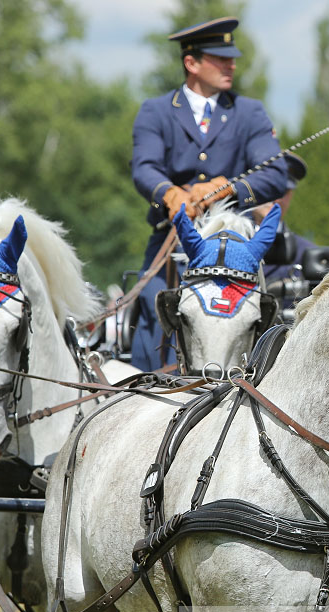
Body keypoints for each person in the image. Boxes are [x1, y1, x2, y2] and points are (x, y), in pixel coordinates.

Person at [130, 16, 288, 370]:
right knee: (154, 312)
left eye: (232, 57)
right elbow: (144, 166)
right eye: (221, 58)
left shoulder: (250, 113)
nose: (231, 64)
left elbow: (275, 172)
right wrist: (169, 193)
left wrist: (227, 188)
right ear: (192, 63)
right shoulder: (156, 111)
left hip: (235, 250)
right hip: (173, 244)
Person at [252, 151, 316, 289]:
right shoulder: (221, 245)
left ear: (291, 195)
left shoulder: (307, 255)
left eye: (283, 191)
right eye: (268, 188)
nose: (276, 198)